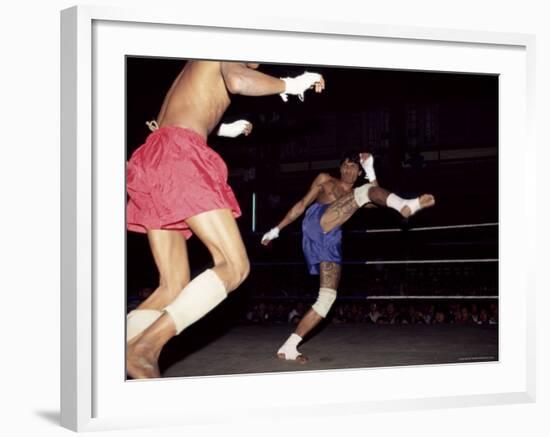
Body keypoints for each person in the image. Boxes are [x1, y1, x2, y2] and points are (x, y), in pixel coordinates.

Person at [126, 60, 326, 379]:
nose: (257, 61)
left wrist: (221, 128)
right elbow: (237, 80)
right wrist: (290, 84)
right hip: (179, 154)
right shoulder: (228, 34)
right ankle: (145, 348)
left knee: (172, 284)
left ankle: (116, 347)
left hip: (154, 156)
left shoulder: (195, 64)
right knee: (234, 266)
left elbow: (176, 115)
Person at [261, 151, 435, 363]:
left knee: (326, 299)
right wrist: (276, 229)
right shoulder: (325, 179)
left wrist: (371, 170)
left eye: (354, 167)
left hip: (332, 238)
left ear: (358, 172)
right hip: (317, 223)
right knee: (364, 192)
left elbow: (375, 196)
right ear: (340, 167)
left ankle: (288, 347)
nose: (348, 169)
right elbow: (301, 205)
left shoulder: (357, 194)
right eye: (345, 165)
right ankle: (405, 206)